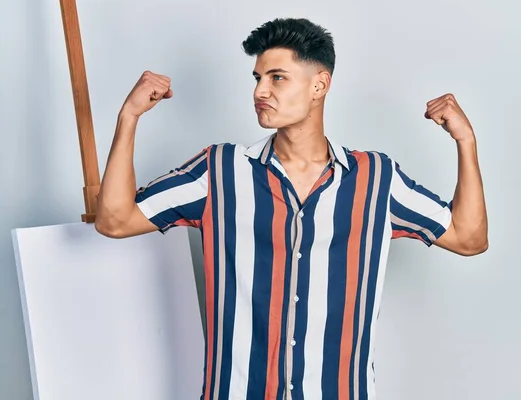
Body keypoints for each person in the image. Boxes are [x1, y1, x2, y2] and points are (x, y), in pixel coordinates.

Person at [95, 17, 488, 400]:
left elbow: (469, 238)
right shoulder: (218, 172)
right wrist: (128, 117)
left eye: (276, 77)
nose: (260, 91)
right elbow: (115, 220)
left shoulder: (376, 180)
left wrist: (466, 141)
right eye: (257, 78)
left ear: (320, 85)